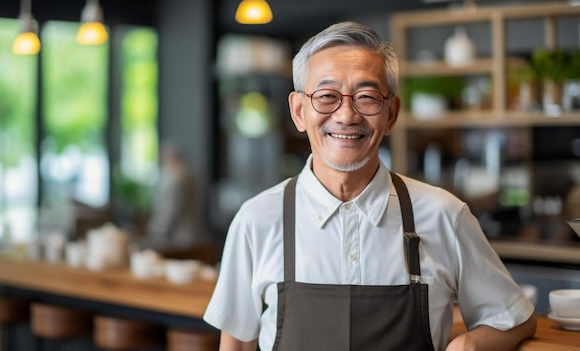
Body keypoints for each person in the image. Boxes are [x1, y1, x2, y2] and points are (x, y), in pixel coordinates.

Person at [203, 21, 536, 351]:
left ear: (391, 113)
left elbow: (515, 318)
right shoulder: (256, 220)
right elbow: (237, 345)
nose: (347, 115)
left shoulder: (444, 215)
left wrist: (471, 344)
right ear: (299, 111)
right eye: (327, 96)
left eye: (366, 96)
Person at [142, 144, 200, 251]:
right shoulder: (189, 175)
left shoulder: (176, 179)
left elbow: (171, 212)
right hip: (192, 235)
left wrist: (154, 230)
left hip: (179, 239)